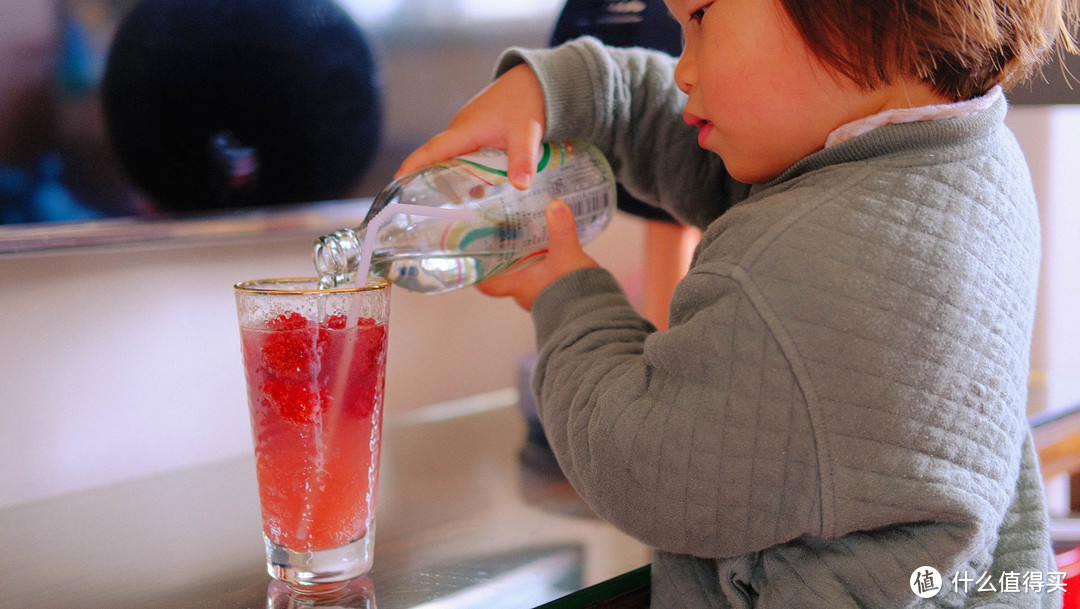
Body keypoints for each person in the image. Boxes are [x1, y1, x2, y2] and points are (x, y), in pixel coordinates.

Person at [398, 0, 1079, 606]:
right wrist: (570, 88)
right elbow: (705, 150)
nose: (684, 71)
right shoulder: (962, 158)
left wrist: (565, 293)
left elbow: (641, 461)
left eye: (699, 19)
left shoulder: (798, 273)